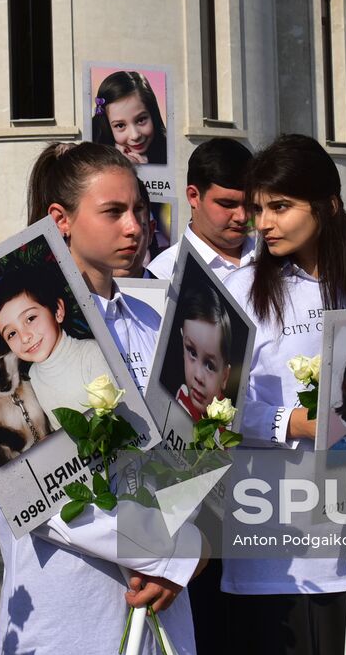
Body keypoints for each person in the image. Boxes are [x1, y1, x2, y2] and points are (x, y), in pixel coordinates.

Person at [0, 140, 201, 655]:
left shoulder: (155, 321)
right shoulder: (12, 367)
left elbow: (191, 447)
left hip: (160, 602)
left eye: (140, 211)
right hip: (66, 606)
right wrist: (170, 554)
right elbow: (42, 493)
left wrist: (194, 529)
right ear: (60, 219)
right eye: (113, 212)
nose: (134, 227)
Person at [221, 134, 346, 655]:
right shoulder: (239, 291)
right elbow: (213, 408)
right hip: (278, 544)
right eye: (258, 208)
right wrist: (291, 422)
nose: (263, 223)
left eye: (279, 206)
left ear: (328, 204)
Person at [0, 263, 111, 432]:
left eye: (30, 318)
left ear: (58, 311)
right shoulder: (33, 377)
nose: (24, 337)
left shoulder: (91, 354)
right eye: (11, 334)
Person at [147, 138, 255, 279]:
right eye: (227, 204)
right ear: (193, 196)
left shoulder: (278, 257)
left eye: (250, 204)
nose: (242, 217)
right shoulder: (164, 275)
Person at [157, 282, 239, 422]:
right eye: (192, 353)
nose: (198, 377)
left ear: (225, 376)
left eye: (210, 365)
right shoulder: (179, 404)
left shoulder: (228, 423)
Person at [89, 70, 168, 165]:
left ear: (153, 114)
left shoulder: (170, 152)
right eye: (120, 125)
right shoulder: (94, 155)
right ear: (107, 127)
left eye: (141, 120)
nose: (135, 135)